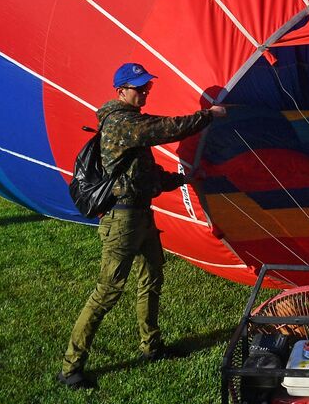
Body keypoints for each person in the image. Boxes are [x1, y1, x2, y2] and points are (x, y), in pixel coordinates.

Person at [58, 63, 228, 390]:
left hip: (140, 214)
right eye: (139, 87)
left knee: (152, 275)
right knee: (107, 292)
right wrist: (208, 116)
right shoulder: (122, 121)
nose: (145, 91)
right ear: (121, 91)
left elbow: (144, 177)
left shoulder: (129, 123)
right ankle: (71, 366)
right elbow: (165, 129)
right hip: (121, 220)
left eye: (147, 85)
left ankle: (152, 346)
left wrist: (183, 179)